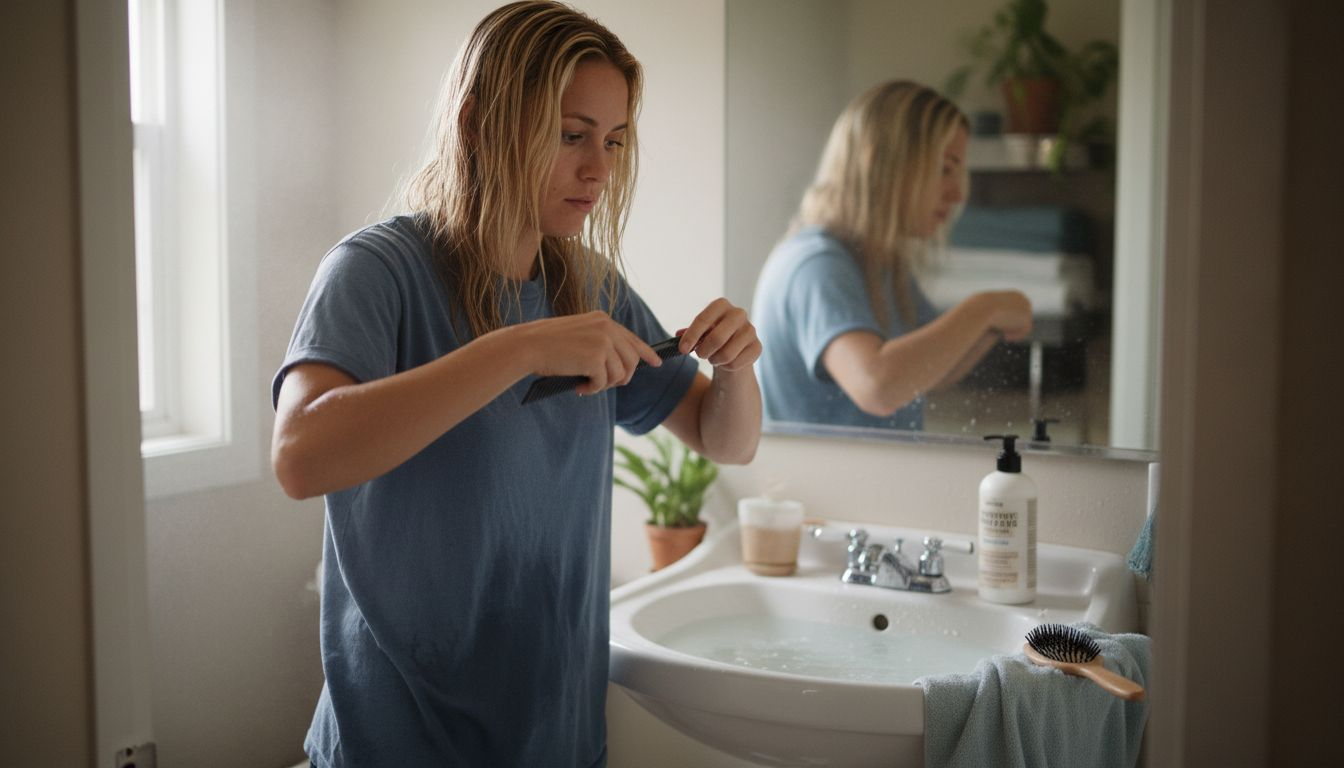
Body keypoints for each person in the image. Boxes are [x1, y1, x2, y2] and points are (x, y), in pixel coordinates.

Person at [269, 3, 761, 766]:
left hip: (556, 741)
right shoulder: (376, 271)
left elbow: (722, 437)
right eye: (571, 136)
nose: (598, 169)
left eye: (613, 140)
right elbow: (300, 456)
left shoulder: (590, 286)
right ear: (476, 122)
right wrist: (520, 348)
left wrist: (736, 368)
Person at [751, 80, 1033, 430]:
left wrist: (991, 326)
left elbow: (932, 371)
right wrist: (984, 308)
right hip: (819, 484)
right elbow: (878, 387)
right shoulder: (817, 265)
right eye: (945, 168)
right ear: (876, 162)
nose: (958, 193)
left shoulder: (877, 262)